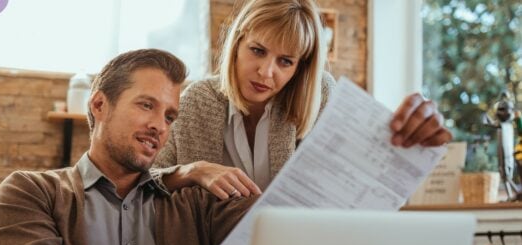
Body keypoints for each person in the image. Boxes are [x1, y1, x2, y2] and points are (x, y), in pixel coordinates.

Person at [0, 49, 256, 245]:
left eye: (169, 116)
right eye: (146, 105)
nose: (160, 126)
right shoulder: (30, 192)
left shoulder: (192, 202)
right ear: (100, 104)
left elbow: (268, 230)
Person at [154, 0, 452, 199]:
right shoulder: (196, 100)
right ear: (237, 44)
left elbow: (359, 169)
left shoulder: (320, 95)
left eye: (285, 61)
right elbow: (146, 181)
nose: (266, 72)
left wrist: (413, 133)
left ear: (300, 67)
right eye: (257, 50)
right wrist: (193, 171)